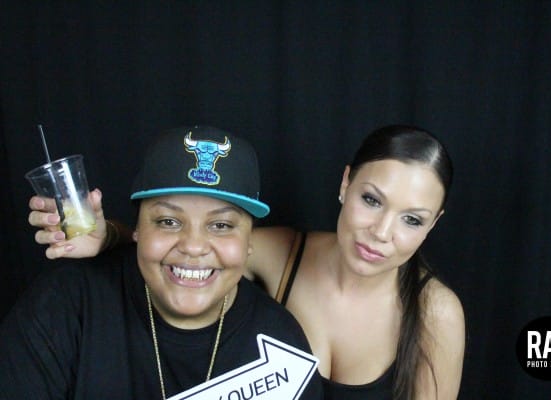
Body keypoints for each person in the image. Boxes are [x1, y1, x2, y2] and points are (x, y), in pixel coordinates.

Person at [28, 124, 465, 399]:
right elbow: (193, 243)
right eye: (371, 200)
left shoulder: (436, 313)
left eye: (412, 219)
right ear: (345, 183)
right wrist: (107, 235)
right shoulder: (284, 253)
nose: (382, 232)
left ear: (434, 224)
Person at [2, 126, 323, 399]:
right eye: (168, 221)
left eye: (221, 225)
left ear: (250, 241)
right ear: (137, 230)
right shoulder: (65, 305)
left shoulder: (281, 344)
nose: (193, 247)